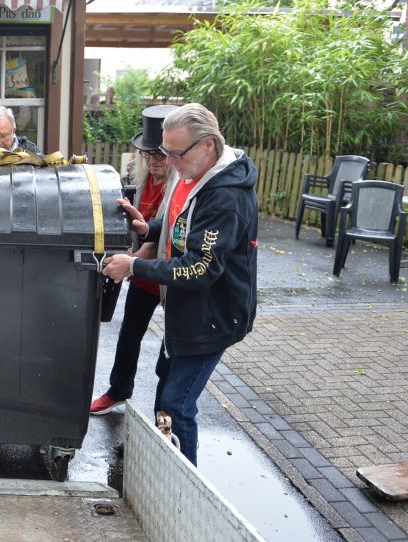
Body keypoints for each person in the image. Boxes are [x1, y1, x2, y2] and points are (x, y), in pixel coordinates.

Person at [102, 103, 258, 466]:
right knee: (165, 380)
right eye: (164, 152)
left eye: (175, 153)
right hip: (187, 310)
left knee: (177, 403)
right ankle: (163, 460)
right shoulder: (196, 174)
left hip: (213, 316)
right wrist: (149, 228)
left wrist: (135, 265)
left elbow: (200, 267)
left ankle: (185, 491)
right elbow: (183, 230)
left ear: (207, 145)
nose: (168, 162)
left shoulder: (225, 196)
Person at [90, 105, 179, 416]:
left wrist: (127, 262)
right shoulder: (141, 182)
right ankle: (119, 390)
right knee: (129, 334)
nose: (153, 161)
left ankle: (164, 413)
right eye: (148, 155)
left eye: (159, 155)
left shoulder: (183, 187)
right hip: (143, 275)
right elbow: (141, 230)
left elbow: (161, 240)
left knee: (171, 349)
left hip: (174, 277)